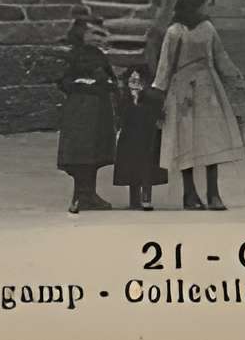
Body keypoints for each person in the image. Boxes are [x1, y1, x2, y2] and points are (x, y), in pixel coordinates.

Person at [153, 0, 245, 209]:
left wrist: (235, 75)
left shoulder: (208, 28)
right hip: (182, 91)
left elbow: (219, 55)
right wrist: (159, 91)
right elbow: (165, 64)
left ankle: (213, 193)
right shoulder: (175, 31)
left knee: (211, 140)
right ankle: (190, 193)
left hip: (208, 88)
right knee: (186, 142)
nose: (209, 9)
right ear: (193, 5)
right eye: (206, 4)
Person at [56, 11, 117, 213]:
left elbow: (110, 80)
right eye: (92, 33)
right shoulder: (73, 55)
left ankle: (88, 193)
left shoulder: (97, 55)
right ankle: (81, 194)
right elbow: (63, 81)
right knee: (82, 151)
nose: (97, 38)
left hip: (97, 108)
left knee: (94, 151)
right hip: (81, 109)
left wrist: (108, 84)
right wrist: (85, 85)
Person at [112, 63, 168, 211]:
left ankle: (146, 197)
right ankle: (134, 199)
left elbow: (157, 113)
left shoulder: (153, 96)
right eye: (132, 81)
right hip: (129, 136)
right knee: (130, 167)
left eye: (138, 81)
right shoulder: (124, 96)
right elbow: (120, 114)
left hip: (147, 136)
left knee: (147, 168)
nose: (135, 84)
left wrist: (140, 99)